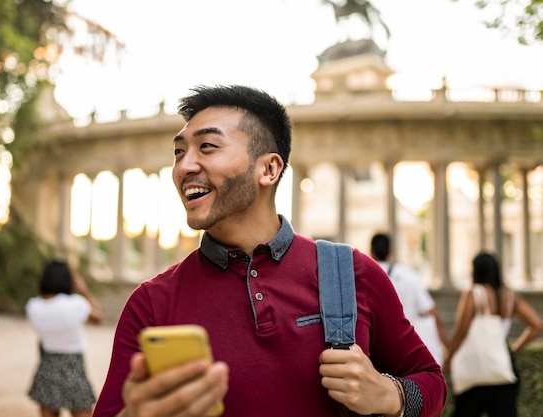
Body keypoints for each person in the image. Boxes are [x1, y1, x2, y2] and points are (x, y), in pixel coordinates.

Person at [92, 85, 447, 417]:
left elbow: (431, 381)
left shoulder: (353, 273)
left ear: (269, 168)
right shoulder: (151, 303)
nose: (184, 166)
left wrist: (390, 394)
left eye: (207, 147)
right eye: (179, 152)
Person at [444, 251, 542, 417]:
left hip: (475, 372)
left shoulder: (473, 294)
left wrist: (449, 358)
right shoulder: (510, 297)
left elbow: (461, 332)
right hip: (503, 369)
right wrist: (515, 349)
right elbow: (537, 325)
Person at [26, 260, 103, 417]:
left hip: (47, 366)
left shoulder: (33, 305)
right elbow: (98, 318)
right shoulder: (75, 304)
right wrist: (84, 289)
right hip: (73, 366)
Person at [370, 232, 449, 366]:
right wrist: (447, 347)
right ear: (391, 251)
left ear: (371, 251)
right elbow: (431, 312)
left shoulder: (365, 275)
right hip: (408, 347)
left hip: (376, 349)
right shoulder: (409, 276)